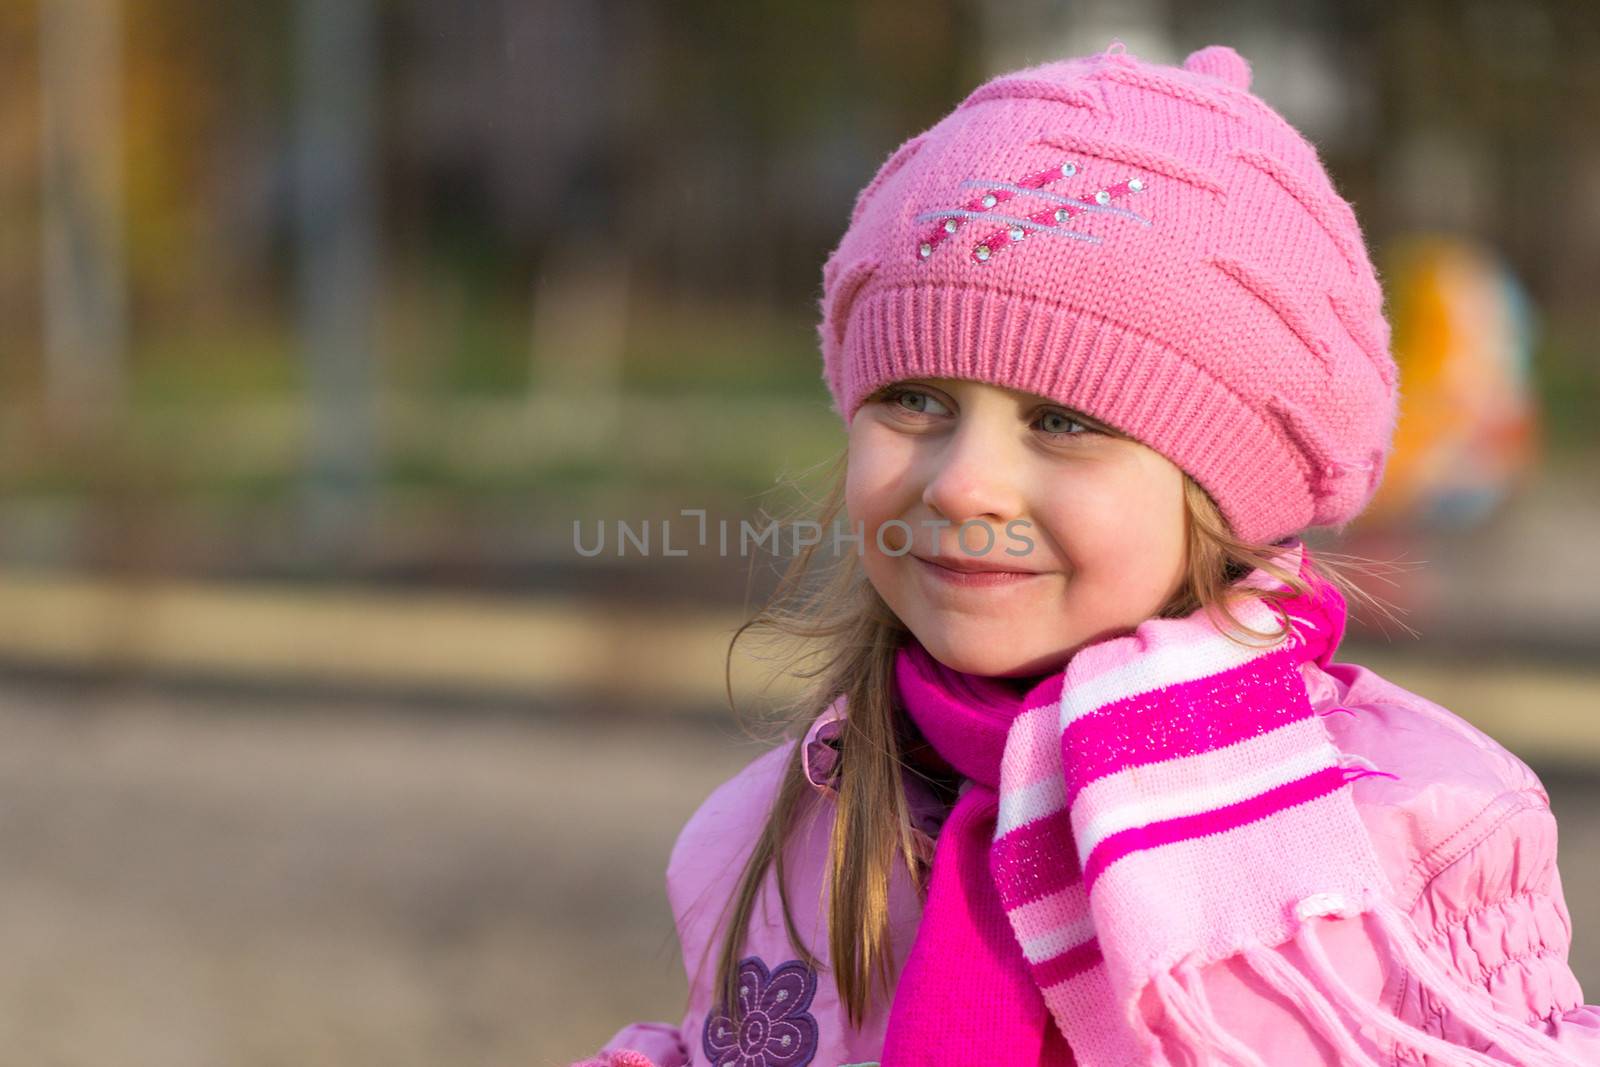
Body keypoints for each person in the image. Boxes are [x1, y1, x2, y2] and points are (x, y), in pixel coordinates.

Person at [571, 40, 1600, 1066]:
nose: (963, 482)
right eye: (913, 399)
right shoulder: (794, 828)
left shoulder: (1407, 832)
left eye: (1062, 420)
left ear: (1226, 494)